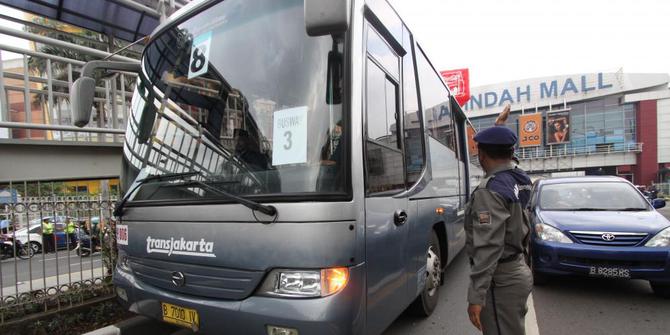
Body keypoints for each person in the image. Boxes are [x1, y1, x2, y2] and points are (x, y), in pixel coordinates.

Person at [465, 123, 533, 335]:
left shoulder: (490, 191)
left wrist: (476, 296)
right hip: (518, 269)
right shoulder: (519, 178)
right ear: (511, 153)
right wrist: (499, 127)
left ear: (482, 155)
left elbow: (489, 247)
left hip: (501, 282)